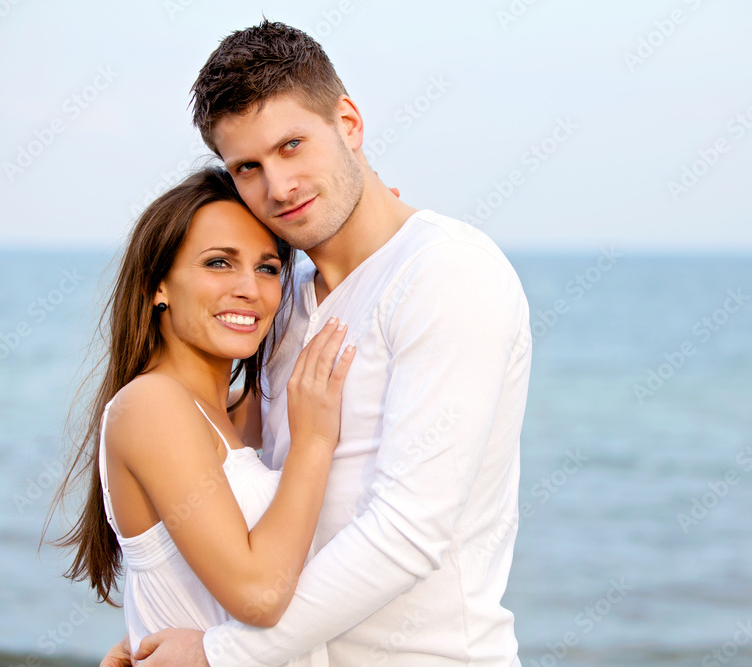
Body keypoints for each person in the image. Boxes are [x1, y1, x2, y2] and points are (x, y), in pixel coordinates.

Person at [112, 20, 532, 667]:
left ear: (349, 124)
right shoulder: (282, 298)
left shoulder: (446, 272)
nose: (278, 187)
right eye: (248, 166)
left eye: (292, 146)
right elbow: (226, 471)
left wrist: (218, 651)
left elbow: (410, 529)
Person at [48, 166, 354, 665]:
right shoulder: (152, 406)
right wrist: (313, 445)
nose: (249, 290)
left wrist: (356, 216)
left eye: (267, 268)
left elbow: (324, 281)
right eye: (218, 263)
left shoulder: (228, 415)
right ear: (157, 286)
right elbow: (259, 595)